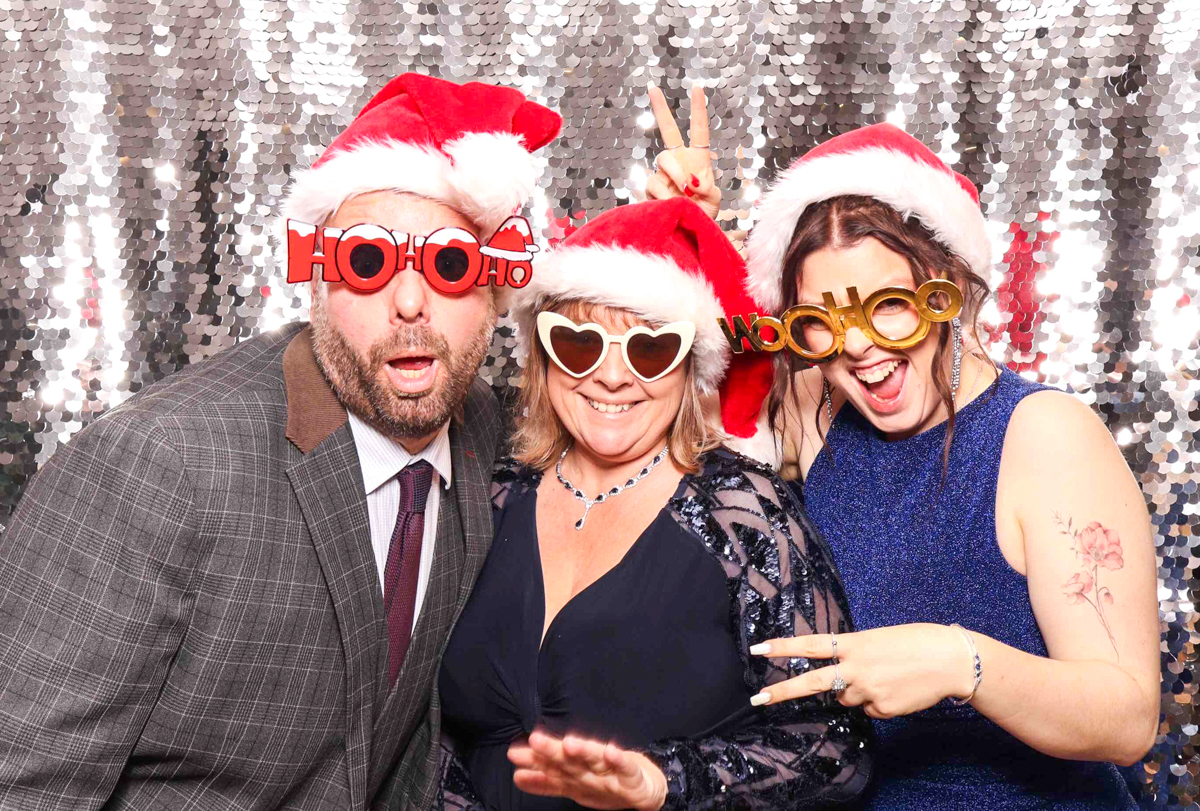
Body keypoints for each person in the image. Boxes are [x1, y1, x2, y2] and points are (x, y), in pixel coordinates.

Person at [0, 73, 561, 811]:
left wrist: (692, 237)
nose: (411, 301)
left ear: (495, 292)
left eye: (450, 264)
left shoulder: (484, 430)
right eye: (369, 261)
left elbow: (622, 394)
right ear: (317, 282)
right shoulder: (157, 466)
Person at [646, 89, 1160, 809]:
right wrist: (684, 228)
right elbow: (676, 379)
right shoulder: (819, 410)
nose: (858, 347)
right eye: (822, 320)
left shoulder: (1044, 435)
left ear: (946, 285)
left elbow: (1128, 715)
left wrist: (963, 663)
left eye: (888, 304)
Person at [434, 197, 872, 811]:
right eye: (581, 345)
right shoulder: (492, 496)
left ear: (690, 369)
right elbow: (431, 724)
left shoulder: (747, 515)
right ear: (543, 358)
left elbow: (832, 747)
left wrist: (662, 781)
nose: (613, 377)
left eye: (648, 350)